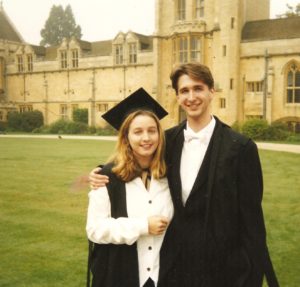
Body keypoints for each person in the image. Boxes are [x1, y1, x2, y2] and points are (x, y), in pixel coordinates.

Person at [89, 63, 279, 287]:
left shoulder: (241, 148)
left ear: (212, 91)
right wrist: (100, 172)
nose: (191, 97)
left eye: (198, 88)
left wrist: (251, 277)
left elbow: (252, 223)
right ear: (177, 96)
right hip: (175, 269)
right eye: (184, 91)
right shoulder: (167, 141)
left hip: (223, 268)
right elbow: (135, 157)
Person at [86, 88, 174, 287]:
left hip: (164, 276)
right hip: (120, 275)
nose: (146, 138)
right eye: (138, 132)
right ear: (126, 137)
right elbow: (95, 229)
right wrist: (143, 226)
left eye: (152, 131)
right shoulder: (107, 178)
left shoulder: (171, 176)